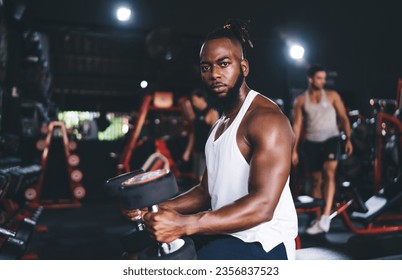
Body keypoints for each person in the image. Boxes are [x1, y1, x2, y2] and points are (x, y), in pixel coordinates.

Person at [125, 19, 298, 260]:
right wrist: (158, 209)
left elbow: (262, 206)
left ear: (244, 67)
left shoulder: (266, 120)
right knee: (139, 250)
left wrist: (184, 224)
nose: (214, 74)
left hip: (264, 241)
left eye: (223, 64)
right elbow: (206, 192)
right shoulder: (219, 125)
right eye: (206, 67)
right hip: (224, 232)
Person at [291, 64, 353, 235]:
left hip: (331, 140)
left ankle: (326, 216)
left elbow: (344, 118)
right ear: (310, 79)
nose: (322, 81)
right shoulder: (301, 101)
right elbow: (296, 126)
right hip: (311, 143)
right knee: (316, 181)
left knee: (329, 172)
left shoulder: (332, 96)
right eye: (319, 78)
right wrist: (294, 150)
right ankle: (318, 219)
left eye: (324, 78)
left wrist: (348, 139)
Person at [182, 89, 220, 182]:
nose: (193, 104)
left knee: (203, 179)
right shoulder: (197, 115)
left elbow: (217, 134)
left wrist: (214, 153)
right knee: (196, 177)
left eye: (195, 101)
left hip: (206, 152)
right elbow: (193, 134)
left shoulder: (211, 112)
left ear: (202, 98)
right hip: (198, 150)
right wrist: (187, 151)